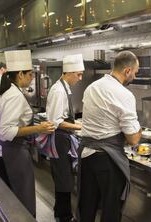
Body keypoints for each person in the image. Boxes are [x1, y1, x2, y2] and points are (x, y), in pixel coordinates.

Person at [0, 50, 55, 216]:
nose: (32, 77)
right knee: (21, 200)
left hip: (4, 150)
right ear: (20, 74)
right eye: (30, 74)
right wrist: (39, 128)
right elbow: (6, 130)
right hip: (13, 153)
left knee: (10, 198)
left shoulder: (6, 91)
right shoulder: (13, 95)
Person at [77, 51, 142, 222]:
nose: (134, 77)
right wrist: (139, 129)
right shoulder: (124, 94)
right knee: (111, 209)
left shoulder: (92, 87)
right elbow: (133, 139)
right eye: (135, 72)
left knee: (88, 205)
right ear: (127, 71)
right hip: (107, 159)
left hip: (86, 156)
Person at [46, 54, 84, 222]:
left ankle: (60, 211)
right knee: (64, 180)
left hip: (64, 140)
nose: (80, 78)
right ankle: (64, 216)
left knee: (65, 179)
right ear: (69, 72)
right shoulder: (58, 90)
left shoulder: (65, 87)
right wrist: (80, 126)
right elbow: (56, 122)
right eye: (79, 74)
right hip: (59, 140)